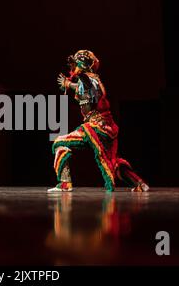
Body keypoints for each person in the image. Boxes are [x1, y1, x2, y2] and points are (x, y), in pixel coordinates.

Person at [48, 50, 149, 193]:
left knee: (59, 142)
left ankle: (65, 183)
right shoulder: (87, 82)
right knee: (112, 161)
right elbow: (78, 86)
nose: (73, 68)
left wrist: (79, 74)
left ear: (83, 65)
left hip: (96, 128)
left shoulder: (91, 80)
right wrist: (67, 83)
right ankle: (139, 183)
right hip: (105, 128)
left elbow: (87, 84)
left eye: (76, 65)